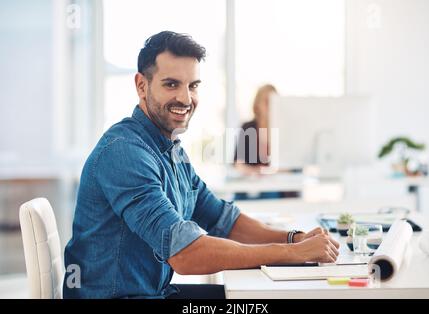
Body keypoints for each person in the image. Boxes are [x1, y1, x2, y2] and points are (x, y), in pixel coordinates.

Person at [63, 31, 339, 299]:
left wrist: (293, 239)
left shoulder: (171, 149)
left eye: (193, 86)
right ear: (141, 85)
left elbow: (222, 219)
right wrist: (291, 254)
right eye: (171, 84)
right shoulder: (125, 153)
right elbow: (186, 254)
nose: (185, 99)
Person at [234, 84, 277, 176]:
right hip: (253, 185)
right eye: (266, 101)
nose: (270, 106)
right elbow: (239, 165)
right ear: (257, 104)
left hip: (278, 185)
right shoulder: (248, 127)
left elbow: (293, 168)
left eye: (274, 102)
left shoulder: (283, 130)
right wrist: (258, 172)